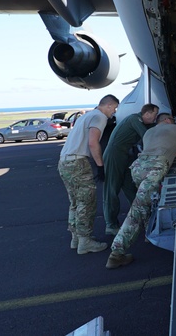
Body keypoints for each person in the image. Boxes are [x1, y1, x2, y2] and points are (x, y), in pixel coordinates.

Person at [106, 114, 176, 269]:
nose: (173, 122)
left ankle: (147, 233)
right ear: (166, 120)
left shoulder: (149, 132)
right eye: (172, 119)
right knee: (138, 209)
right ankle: (116, 253)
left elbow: (162, 150)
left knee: (147, 201)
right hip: (154, 169)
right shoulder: (174, 128)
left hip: (138, 167)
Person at [58, 94, 119, 254]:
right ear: (109, 105)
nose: (114, 112)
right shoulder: (99, 117)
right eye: (114, 108)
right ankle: (85, 242)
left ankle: (76, 238)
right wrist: (100, 166)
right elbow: (93, 142)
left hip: (64, 161)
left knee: (75, 202)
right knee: (87, 203)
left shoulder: (86, 116)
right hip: (78, 163)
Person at [102, 104, 159, 235]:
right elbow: (147, 136)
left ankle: (141, 218)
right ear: (148, 113)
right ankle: (110, 224)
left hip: (124, 156)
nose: (155, 118)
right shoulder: (135, 119)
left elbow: (150, 128)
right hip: (114, 155)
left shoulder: (138, 121)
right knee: (112, 189)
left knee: (130, 187)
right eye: (155, 115)